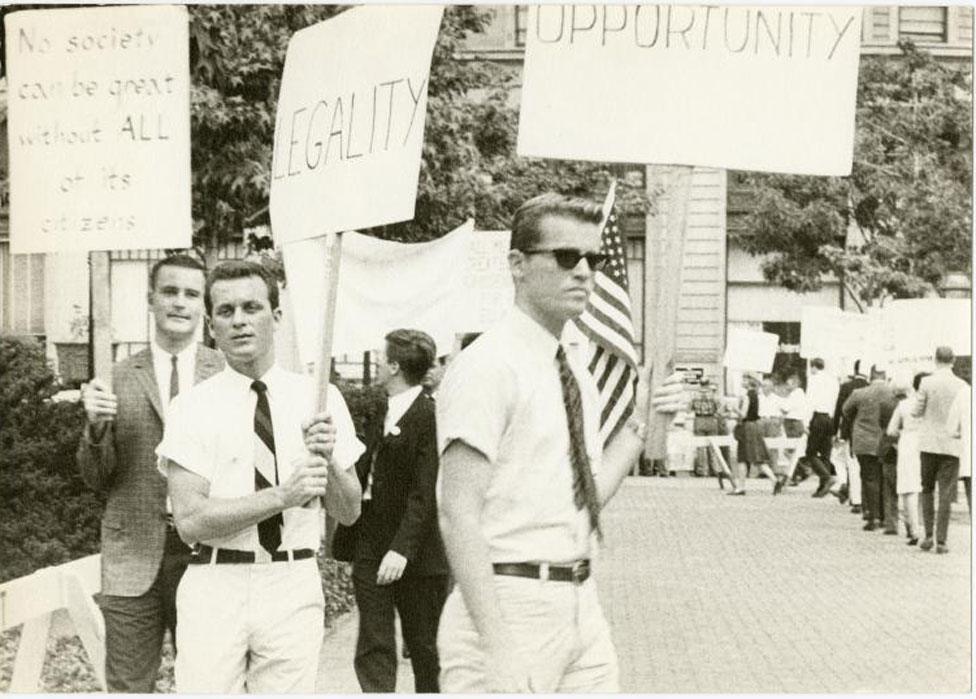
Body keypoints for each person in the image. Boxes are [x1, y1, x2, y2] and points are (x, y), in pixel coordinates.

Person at [434, 193, 686, 692]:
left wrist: (640, 422)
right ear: (517, 265)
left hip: (579, 603)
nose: (585, 272)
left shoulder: (573, 367)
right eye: (567, 257)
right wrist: (498, 643)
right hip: (507, 599)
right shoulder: (488, 366)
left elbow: (585, 493)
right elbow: (456, 511)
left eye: (595, 259)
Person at [156, 260, 365, 693]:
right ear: (211, 326)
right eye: (226, 311)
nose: (239, 321)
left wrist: (328, 461)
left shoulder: (320, 398)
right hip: (216, 583)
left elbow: (348, 512)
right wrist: (283, 496)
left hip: (292, 580)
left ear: (276, 316)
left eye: (251, 307)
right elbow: (191, 520)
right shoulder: (191, 408)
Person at [77, 254, 224, 693]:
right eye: (169, 291)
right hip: (132, 557)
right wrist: (96, 428)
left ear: (204, 306)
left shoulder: (227, 376)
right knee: (128, 686)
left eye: (191, 294)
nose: (179, 303)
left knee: (208, 684)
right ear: (150, 299)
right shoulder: (114, 378)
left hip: (210, 554)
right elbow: (95, 480)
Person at [333, 329, 449, 693]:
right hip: (370, 542)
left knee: (425, 649)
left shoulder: (432, 417)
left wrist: (402, 548)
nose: (378, 364)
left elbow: (425, 491)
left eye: (381, 358)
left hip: (416, 554)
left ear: (395, 366)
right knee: (374, 642)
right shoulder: (380, 410)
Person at [912, 346, 969, 554]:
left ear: (935, 359)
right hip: (952, 445)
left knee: (926, 489)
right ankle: (942, 540)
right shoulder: (962, 385)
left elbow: (916, 411)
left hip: (928, 443)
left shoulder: (926, 382)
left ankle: (927, 535)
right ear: (953, 360)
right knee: (946, 493)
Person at [843, 366, 896, 532]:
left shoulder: (859, 393)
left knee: (869, 477)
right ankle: (885, 517)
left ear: (871, 376)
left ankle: (872, 516)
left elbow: (846, 410)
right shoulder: (892, 393)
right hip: (886, 440)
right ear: (885, 376)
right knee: (884, 478)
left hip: (864, 440)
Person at [885, 374, 926, 545]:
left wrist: (904, 432)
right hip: (927, 443)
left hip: (908, 444)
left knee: (910, 489)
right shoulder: (932, 404)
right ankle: (928, 529)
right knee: (927, 487)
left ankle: (914, 530)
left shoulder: (904, 405)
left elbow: (891, 431)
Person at [730, 374, 778, 495]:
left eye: (744, 379)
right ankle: (773, 479)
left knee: (743, 457)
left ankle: (741, 487)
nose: (742, 381)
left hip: (747, 428)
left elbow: (743, 415)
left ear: (749, 382)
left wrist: (734, 408)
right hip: (754, 427)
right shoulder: (756, 395)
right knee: (755, 457)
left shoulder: (747, 396)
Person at [834, 360, 869, 515]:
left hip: (852, 432)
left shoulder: (846, 387)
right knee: (868, 467)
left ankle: (856, 501)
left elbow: (839, 411)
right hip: (870, 432)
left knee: (853, 466)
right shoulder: (871, 387)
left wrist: (836, 431)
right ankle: (867, 500)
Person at [802, 359, 840, 498]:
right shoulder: (833, 380)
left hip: (817, 417)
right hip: (830, 419)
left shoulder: (814, 380)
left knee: (810, 453)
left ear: (813, 367)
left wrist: (805, 422)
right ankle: (822, 487)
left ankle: (827, 477)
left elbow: (810, 401)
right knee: (825, 454)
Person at [691, 379, 720, 478]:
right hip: (711, 420)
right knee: (713, 446)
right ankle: (715, 469)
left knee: (700, 446)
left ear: (700, 384)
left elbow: (688, 408)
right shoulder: (713, 394)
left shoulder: (694, 394)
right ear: (708, 384)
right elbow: (719, 408)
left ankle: (703, 470)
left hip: (699, 420)